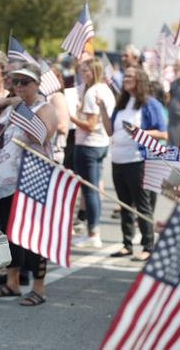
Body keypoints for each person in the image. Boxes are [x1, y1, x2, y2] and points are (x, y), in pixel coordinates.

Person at [0, 63, 57, 306]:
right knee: (9, 232)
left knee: (33, 234)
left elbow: (43, 134)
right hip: (4, 180)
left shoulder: (44, 107)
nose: (19, 87)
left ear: (37, 84)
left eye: (25, 83)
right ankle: (12, 282)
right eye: (16, 82)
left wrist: (19, 108)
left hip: (31, 178)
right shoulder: (10, 110)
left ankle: (39, 287)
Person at [98, 65, 167, 261]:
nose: (126, 78)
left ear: (140, 80)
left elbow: (163, 133)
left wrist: (139, 133)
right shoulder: (122, 104)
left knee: (142, 205)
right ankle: (127, 244)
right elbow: (110, 130)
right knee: (124, 204)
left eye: (130, 76)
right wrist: (103, 110)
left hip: (138, 161)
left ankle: (148, 246)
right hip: (118, 160)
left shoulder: (149, 104)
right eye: (125, 75)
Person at [70, 58, 115, 248]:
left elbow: (89, 125)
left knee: (89, 191)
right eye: (81, 70)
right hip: (101, 143)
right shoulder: (105, 89)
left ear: (94, 72)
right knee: (93, 189)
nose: (82, 73)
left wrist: (71, 116)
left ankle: (93, 232)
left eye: (86, 70)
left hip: (89, 145)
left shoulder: (92, 92)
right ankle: (93, 231)